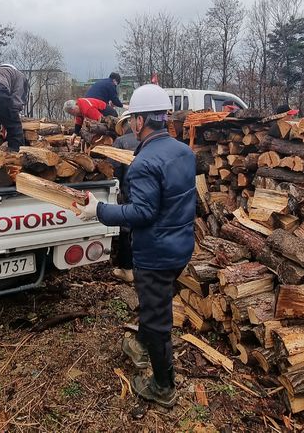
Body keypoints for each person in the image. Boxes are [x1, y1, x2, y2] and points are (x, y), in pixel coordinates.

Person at [75, 84, 196, 408]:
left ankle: (163, 385)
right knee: (155, 303)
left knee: (158, 319)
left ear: (141, 121)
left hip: (156, 254)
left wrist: (97, 211)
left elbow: (142, 213)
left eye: (131, 121)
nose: (129, 126)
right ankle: (142, 343)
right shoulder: (184, 152)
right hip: (181, 247)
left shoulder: (144, 163)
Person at [110, 111, 139, 283]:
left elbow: (115, 172)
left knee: (126, 232)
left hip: (129, 195)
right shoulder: (151, 141)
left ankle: (127, 270)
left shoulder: (121, 142)